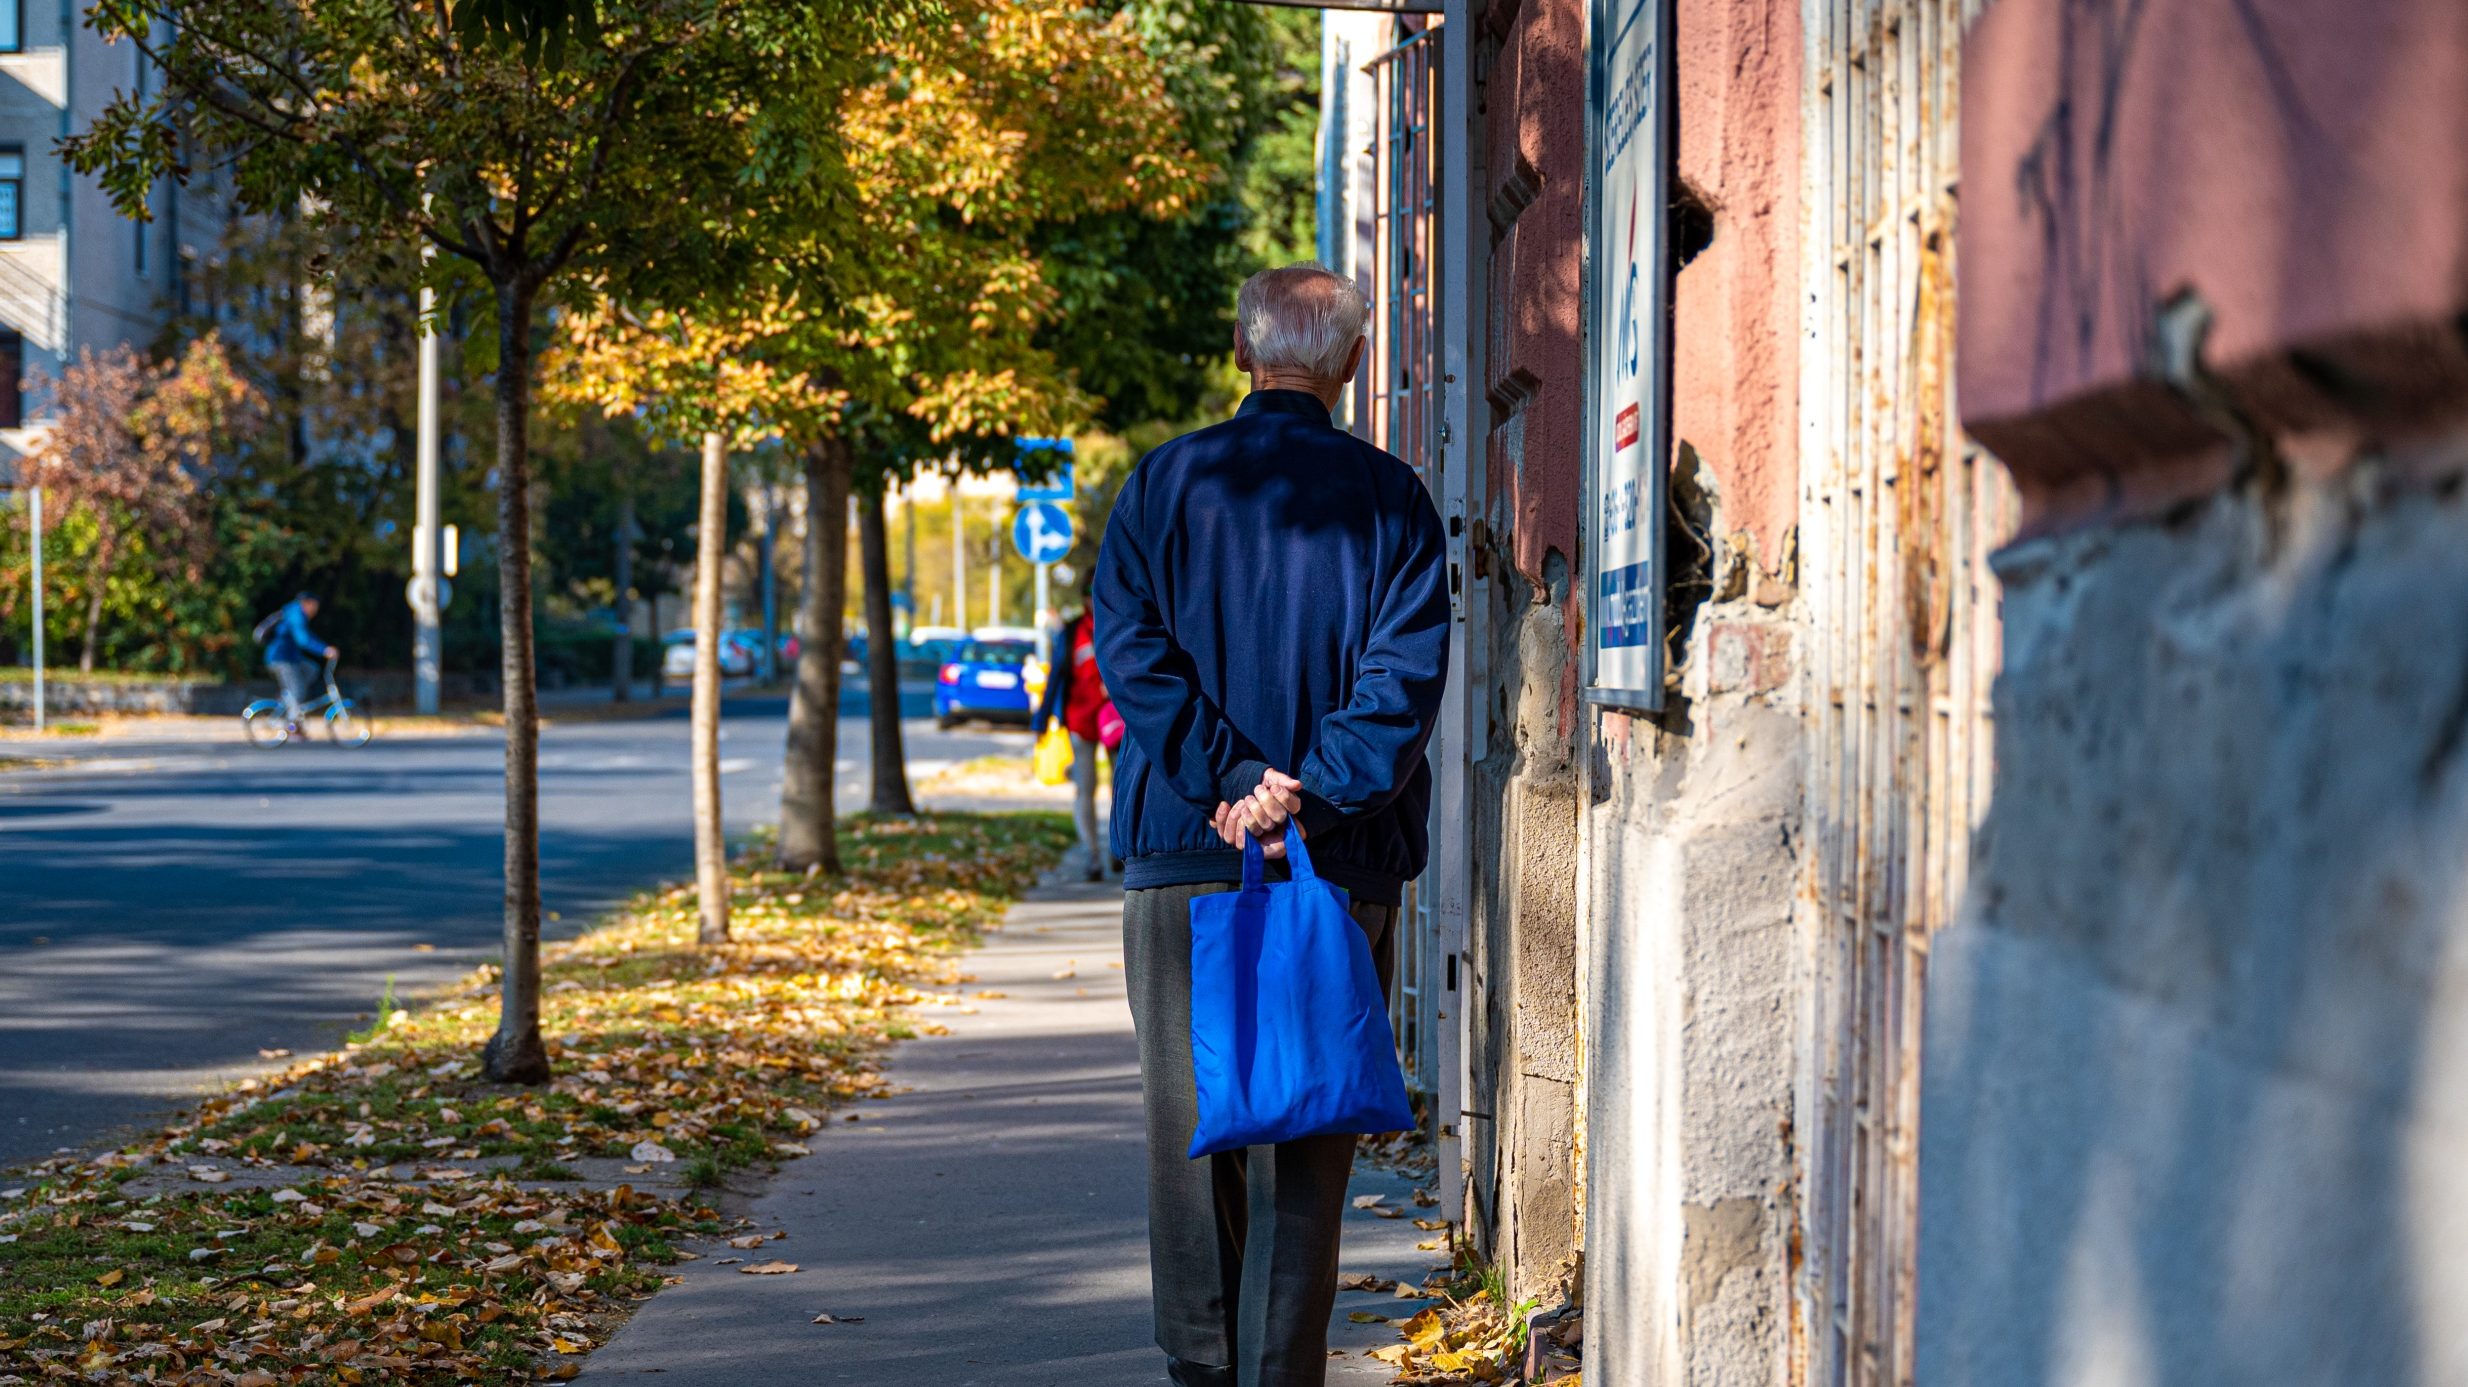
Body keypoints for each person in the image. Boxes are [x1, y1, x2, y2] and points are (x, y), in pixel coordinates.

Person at [1092, 263, 1450, 1387]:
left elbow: (1131, 654)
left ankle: (1200, 1370)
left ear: (1241, 355)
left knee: (1188, 1138)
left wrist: (1227, 775)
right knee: (1307, 1142)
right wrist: (1301, 789)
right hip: (1333, 864)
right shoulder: (1392, 499)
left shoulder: (1158, 486)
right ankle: (1279, 1371)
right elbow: (1403, 680)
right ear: (1350, 364)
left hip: (1182, 854)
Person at [1032, 575, 1117, 881]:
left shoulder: (1119, 624)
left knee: (1119, 787)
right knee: (1086, 788)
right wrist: (1042, 719)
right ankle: (1092, 856)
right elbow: (1056, 675)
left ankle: (1116, 849)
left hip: (1114, 721)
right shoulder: (1071, 633)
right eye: (1087, 596)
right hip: (1080, 721)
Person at [260, 591, 337, 734]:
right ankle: (292, 726)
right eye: (315, 606)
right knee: (298, 690)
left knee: (312, 669)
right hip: (281, 659)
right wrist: (324, 650)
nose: (316, 610)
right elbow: (303, 639)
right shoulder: (296, 615)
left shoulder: (295, 613)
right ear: (307, 604)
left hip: (291, 658)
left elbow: (306, 636)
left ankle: (286, 698)